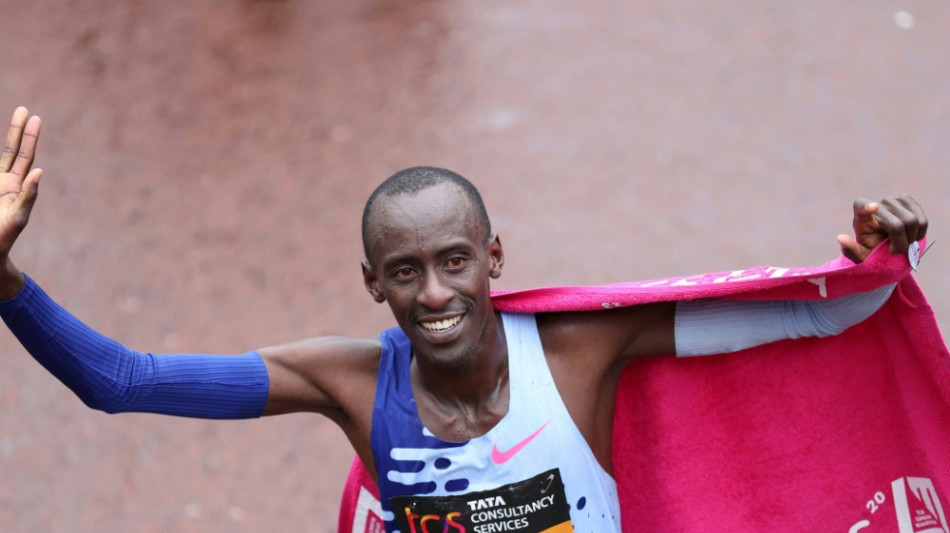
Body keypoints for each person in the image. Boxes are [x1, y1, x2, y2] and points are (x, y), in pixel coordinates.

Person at [0, 106, 929, 532]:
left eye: (454, 261)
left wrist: (877, 259)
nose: (436, 294)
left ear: (494, 257)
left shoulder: (580, 351)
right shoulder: (351, 383)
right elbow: (119, 381)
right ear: (374, 284)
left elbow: (816, 320)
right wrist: (4, 279)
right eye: (406, 272)